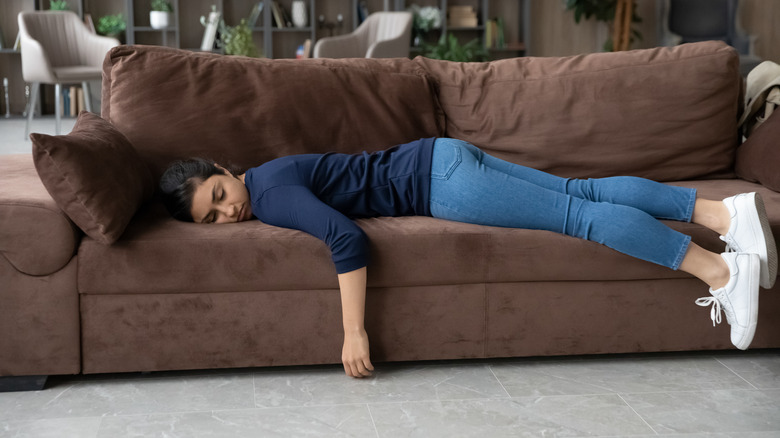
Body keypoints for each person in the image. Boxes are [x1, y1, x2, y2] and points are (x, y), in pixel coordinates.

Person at [159, 137, 778, 378]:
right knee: (579, 194)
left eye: (218, 195)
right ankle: (726, 215)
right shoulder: (266, 174)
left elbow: (346, 238)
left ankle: (721, 270)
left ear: (222, 169)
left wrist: (352, 332)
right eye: (211, 219)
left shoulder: (267, 193)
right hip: (444, 157)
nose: (226, 213)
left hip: (442, 185)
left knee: (579, 216)